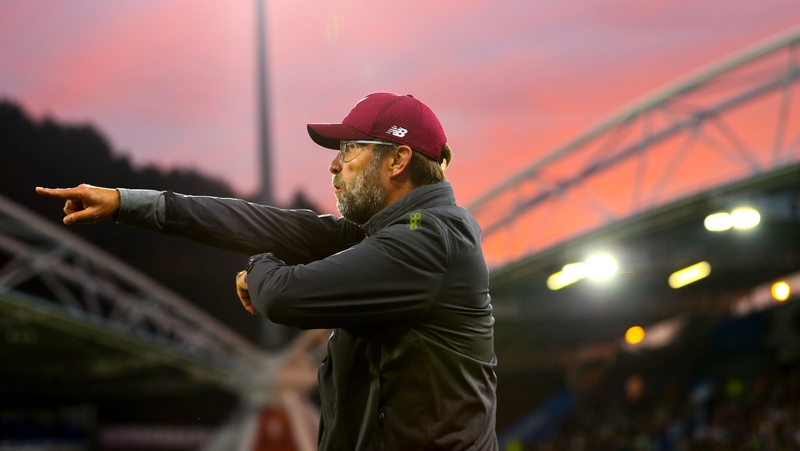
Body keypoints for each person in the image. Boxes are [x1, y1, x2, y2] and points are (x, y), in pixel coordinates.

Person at [37, 92, 498, 451]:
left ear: (398, 160)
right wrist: (124, 202)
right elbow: (260, 221)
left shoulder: (428, 239)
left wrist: (258, 267)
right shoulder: (390, 233)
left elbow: (282, 296)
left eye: (351, 148)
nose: (335, 164)